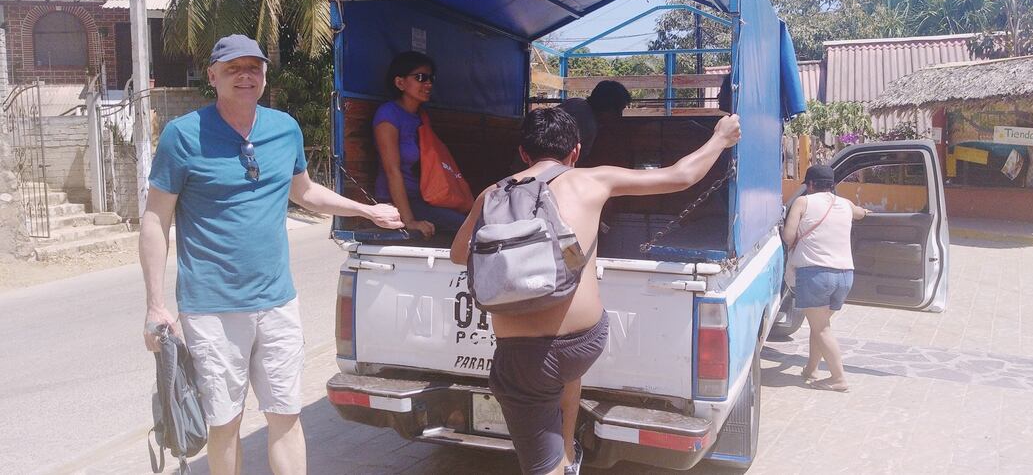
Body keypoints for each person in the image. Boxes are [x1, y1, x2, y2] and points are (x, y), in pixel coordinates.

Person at [139, 35, 403, 475]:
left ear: (264, 74)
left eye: (254, 67)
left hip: (278, 302)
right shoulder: (183, 136)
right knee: (225, 424)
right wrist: (155, 305)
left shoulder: (285, 129)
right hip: (212, 308)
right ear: (212, 76)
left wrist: (364, 210)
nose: (245, 76)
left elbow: (304, 193)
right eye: (233, 68)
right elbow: (155, 219)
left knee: (286, 415)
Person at [451, 107, 741, 475]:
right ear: (575, 151)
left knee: (541, 463)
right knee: (565, 375)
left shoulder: (491, 195)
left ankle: (557, 463)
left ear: (523, 153)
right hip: (585, 342)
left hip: (524, 358)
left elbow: (459, 254)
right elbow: (682, 176)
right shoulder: (593, 180)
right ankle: (568, 454)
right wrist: (720, 136)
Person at [781, 164, 869, 393]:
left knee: (821, 328)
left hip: (816, 275)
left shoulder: (804, 202)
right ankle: (811, 369)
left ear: (810, 185)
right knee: (820, 325)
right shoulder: (845, 204)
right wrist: (864, 211)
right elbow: (860, 213)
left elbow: (788, 237)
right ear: (832, 185)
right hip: (844, 276)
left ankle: (838, 378)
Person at [373, 51, 468, 239]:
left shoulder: (421, 117)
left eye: (431, 78)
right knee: (466, 227)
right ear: (400, 83)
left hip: (425, 197)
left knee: (473, 218)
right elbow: (393, 172)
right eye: (420, 77)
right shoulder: (388, 116)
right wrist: (409, 221)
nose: (429, 84)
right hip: (399, 201)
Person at [557, 80, 631, 162]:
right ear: (607, 108)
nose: (619, 115)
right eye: (618, 110)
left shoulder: (575, 103)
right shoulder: (587, 123)